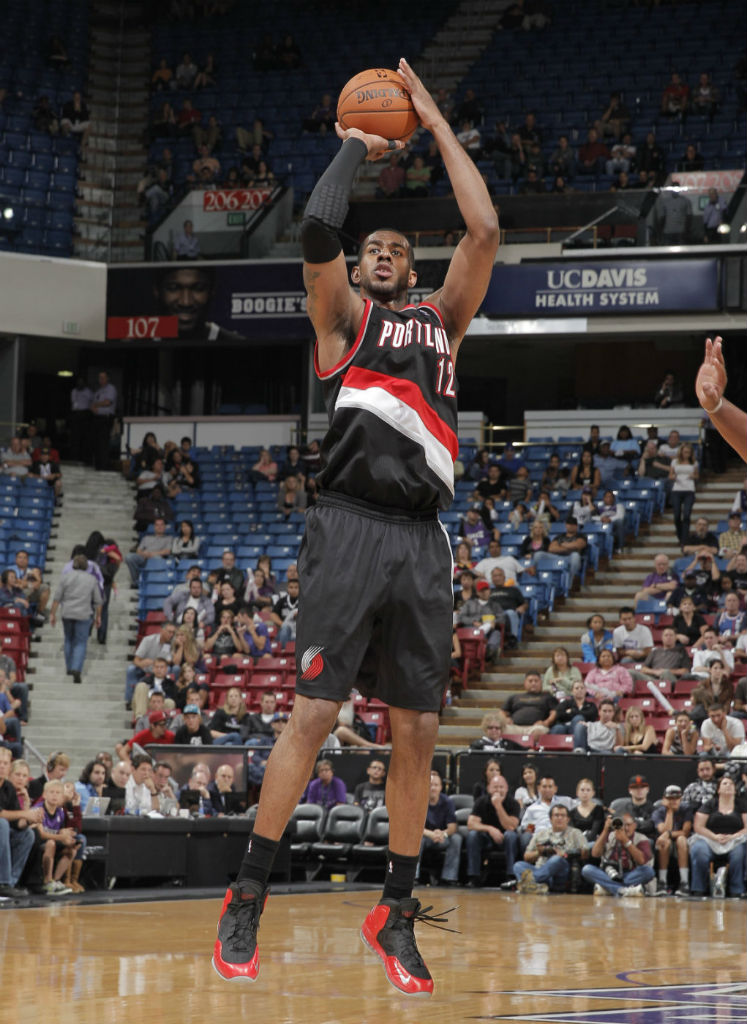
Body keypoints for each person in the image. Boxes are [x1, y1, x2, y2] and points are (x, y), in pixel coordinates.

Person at [212, 57, 500, 997]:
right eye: (367, 247)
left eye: (391, 249)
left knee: (416, 731)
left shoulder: (441, 323)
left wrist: (432, 119)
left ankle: (396, 909)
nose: (377, 253)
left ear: (409, 268)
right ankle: (248, 892)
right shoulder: (340, 324)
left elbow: (485, 228)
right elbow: (314, 225)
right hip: (347, 523)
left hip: (422, 538)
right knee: (315, 712)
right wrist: (356, 142)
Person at [689, 775, 746, 898]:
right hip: (710, 839)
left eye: (731, 784)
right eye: (724, 784)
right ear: (718, 789)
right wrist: (714, 836)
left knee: (739, 854)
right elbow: (698, 827)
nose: (728, 786)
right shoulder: (710, 804)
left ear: (735, 790)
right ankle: (699, 889)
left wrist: (732, 837)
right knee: (699, 850)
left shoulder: (742, 805)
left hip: (734, 840)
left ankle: (736, 889)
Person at [49, 555, 102, 684]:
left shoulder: (65, 577)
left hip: (67, 613)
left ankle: (69, 668)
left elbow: (57, 597)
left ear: (73, 565)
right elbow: (98, 601)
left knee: (68, 640)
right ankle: (76, 669)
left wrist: (52, 613)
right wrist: (98, 616)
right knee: (81, 642)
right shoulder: (92, 579)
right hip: (84, 615)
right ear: (86, 566)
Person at [513, 804, 586, 894]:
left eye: (563, 815)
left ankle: (530, 883)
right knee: (518, 865)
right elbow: (526, 856)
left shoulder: (576, 833)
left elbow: (585, 853)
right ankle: (537, 885)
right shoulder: (541, 834)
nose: (559, 818)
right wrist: (539, 853)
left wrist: (565, 853)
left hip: (561, 873)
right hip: (541, 867)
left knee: (556, 859)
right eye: (556, 815)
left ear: (568, 819)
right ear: (550, 819)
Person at [581, 813, 655, 897]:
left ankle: (608, 888)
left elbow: (642, 861)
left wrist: (625, 841)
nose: (626, 828)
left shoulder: (642, 838)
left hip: (631, 874)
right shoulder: (610, 836)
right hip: (610, 874)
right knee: (587, 870)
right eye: (623, 825)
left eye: (629, 825)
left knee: (648, 871)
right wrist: (605, 830)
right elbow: (595, 854)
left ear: (634, 825)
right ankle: (624, 890)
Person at [465, 773, 520, 886]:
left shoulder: (513, 803)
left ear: (507, 788)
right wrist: (490, 829)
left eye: (501, 787)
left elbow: (511, 826)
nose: (498, 790)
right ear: (489, 788)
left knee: (511, 835)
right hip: (486, 839)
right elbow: (471, 824)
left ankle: (511, 876)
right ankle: (474, 877)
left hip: (505, 839)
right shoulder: (481, 801)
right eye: (495, 787)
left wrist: (498, 806)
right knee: (472, 835)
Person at [0, 746, 39, 897]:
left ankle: (10, 882)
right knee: (2, 823)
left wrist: (30, 819)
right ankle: (2, 882)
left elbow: (18, 824)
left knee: (27, 834)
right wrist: (25, 813)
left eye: (5, 763)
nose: (2, 766)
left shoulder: (8, 787)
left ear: (9, 766)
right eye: (0, 762)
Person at [416, 771, 461, 886]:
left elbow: (452, 827)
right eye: (430, 785)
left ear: (441, 787)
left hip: (442, 837)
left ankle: (449, 878)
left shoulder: (448, 802)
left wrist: (442, 834)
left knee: (456, 838)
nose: (433, 788)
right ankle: (413, 876)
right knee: (415, 838)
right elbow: (415, 826)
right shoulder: (418, 801)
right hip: (424, 837)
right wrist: (431, 834)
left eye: (436, 785)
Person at [652, 784, 692, 895]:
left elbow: (686, 832)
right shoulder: (658, 812)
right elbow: (662, 831)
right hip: (663, 843)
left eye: (676, 798)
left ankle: (684, 883)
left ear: (681, 798)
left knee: (681, 839)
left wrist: (668, 834)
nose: (673, 801)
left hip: (681, 841)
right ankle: (662, 882)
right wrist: (669, 811)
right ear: (664, 799)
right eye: (670, 799)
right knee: (665, 841)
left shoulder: (686, 809)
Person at [503, 671, 557, 736]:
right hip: (515, 726)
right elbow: (502, 711)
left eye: (536, 681)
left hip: (536, 727)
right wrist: (505, 719)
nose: (533, 683)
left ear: (541, 683)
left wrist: (546, 722)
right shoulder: (514, 697)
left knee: (538, 733)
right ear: (525, 683)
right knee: (500, 729)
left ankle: (531, 746)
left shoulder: (548, 697)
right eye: (530, 681)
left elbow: (554, 712)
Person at [90, 371, 117, 470]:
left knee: (103, 442)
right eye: (99, 377)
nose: (101, 380)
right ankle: (98, 465)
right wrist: (93, 408)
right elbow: (92, 404)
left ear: (107, 378)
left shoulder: (111, 389)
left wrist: (96, 405)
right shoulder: (98, 391)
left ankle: (104, 465)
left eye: (103, 377)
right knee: (96, 442)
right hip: (97, 418)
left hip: (106, 418)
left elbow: (108, 402)